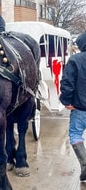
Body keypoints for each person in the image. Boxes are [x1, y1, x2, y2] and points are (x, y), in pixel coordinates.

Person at [59, 32, 86, 181]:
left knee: (75, 134)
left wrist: (66, 101)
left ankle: (85, 164)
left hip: (80, 108)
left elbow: (67, 83)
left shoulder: (75, 60)